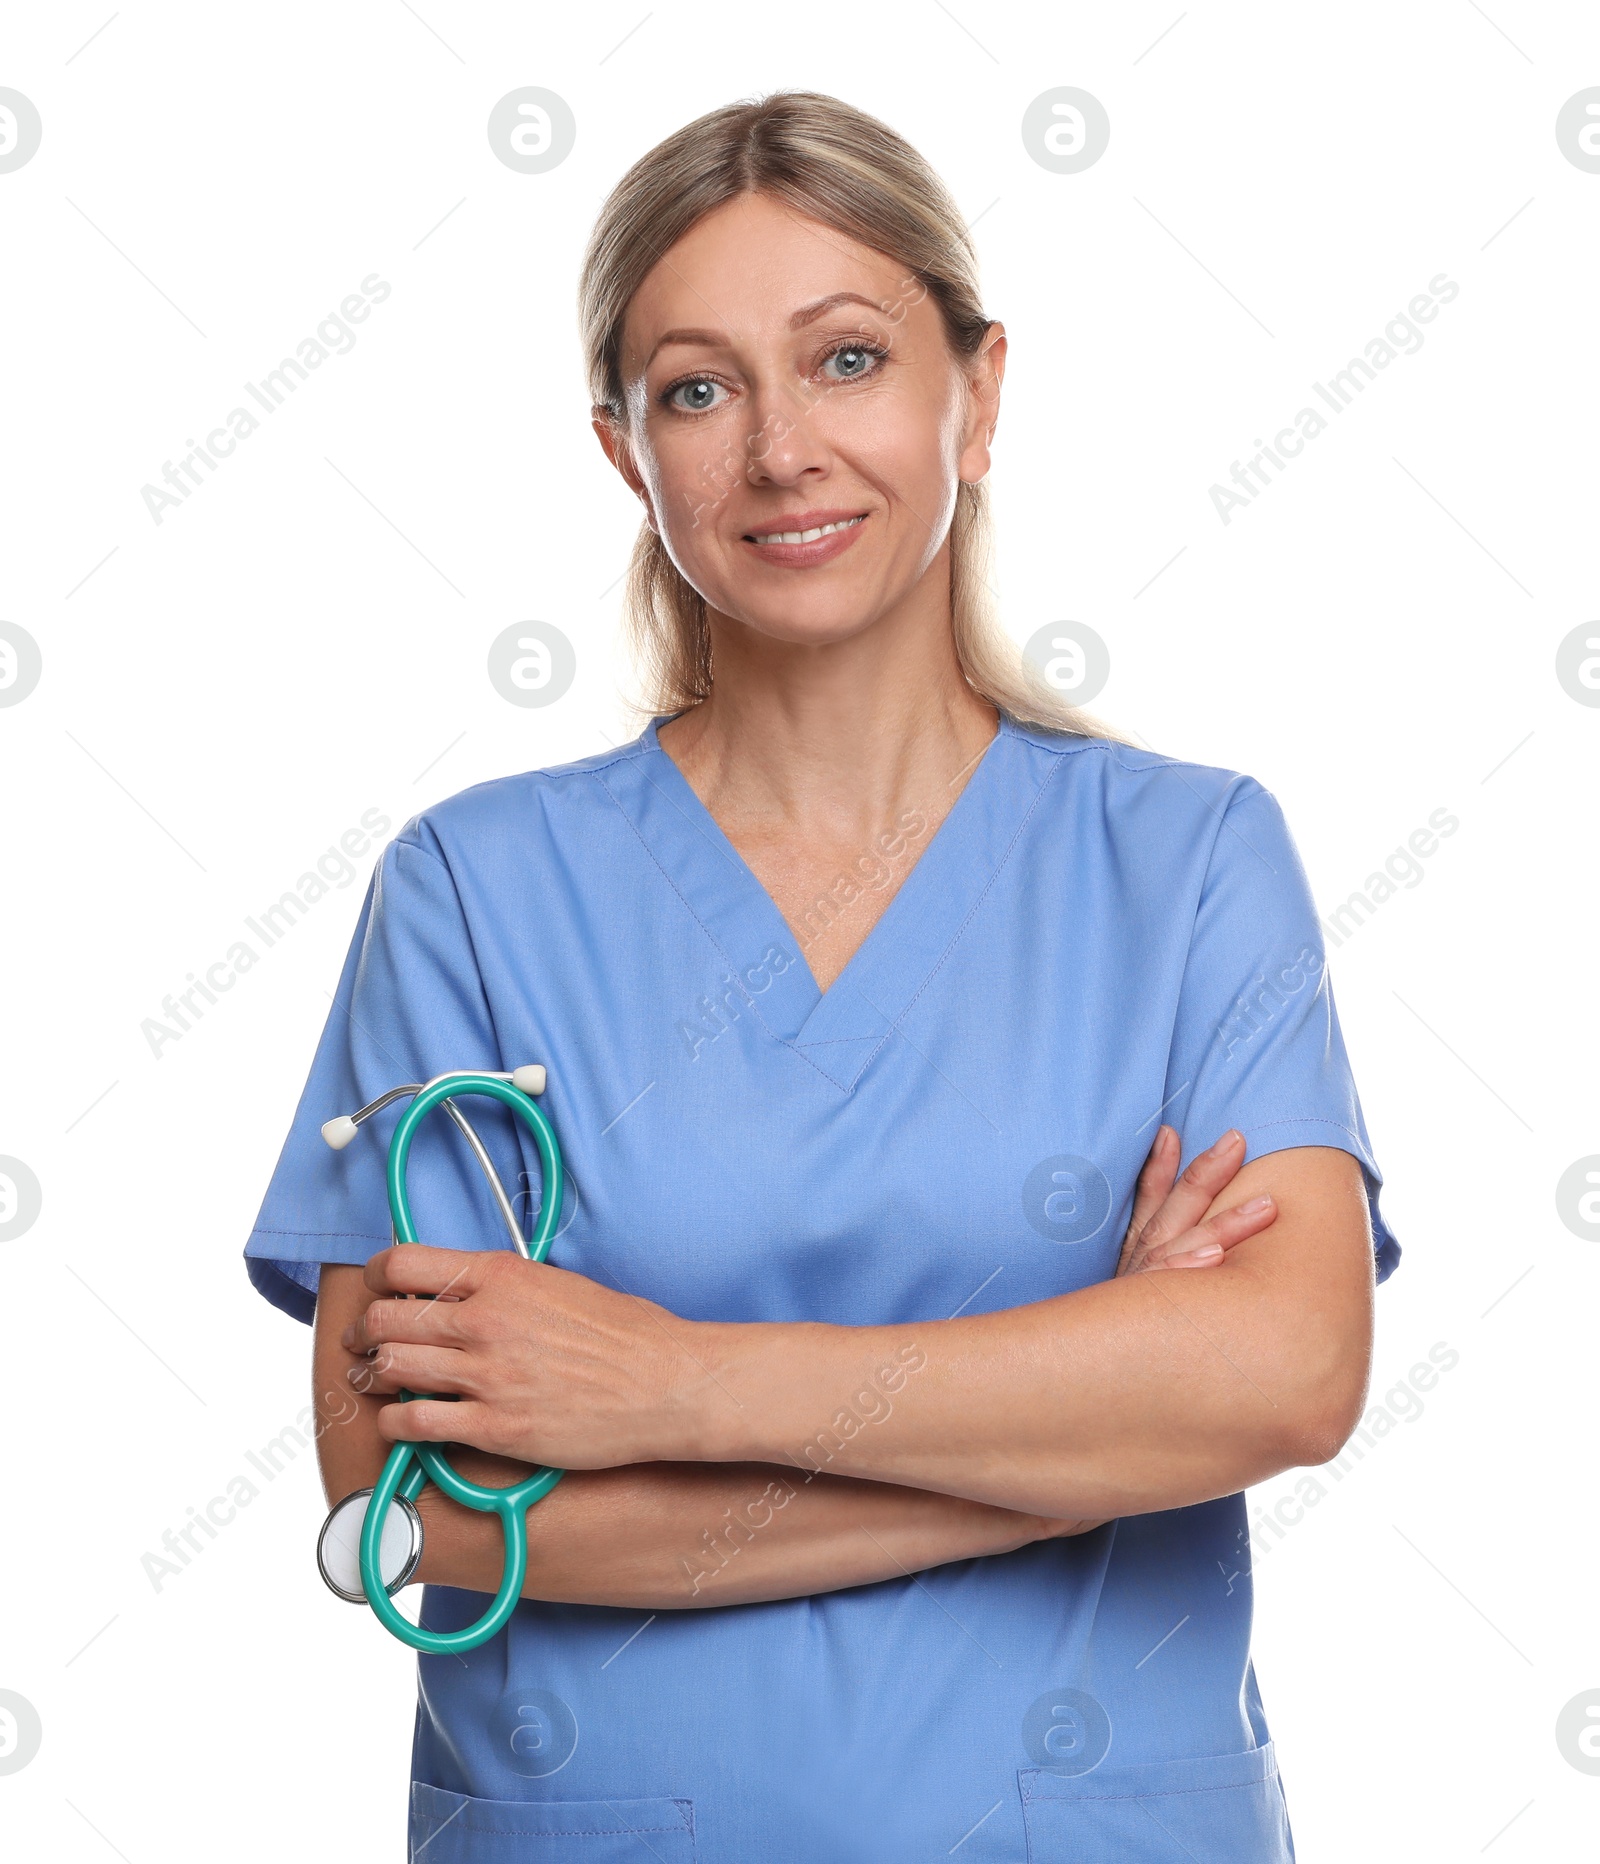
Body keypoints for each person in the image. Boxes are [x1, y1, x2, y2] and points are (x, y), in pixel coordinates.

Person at [245, 90, 1398, 1864]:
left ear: (980, 390)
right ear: (627, 451)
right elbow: (417, 1511)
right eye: (699, 388)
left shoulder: (1184, 864)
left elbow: (1288, 1374)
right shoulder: (474, 893)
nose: (781, 448)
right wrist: (1067, 1450)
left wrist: (667, 1388)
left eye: (847, 358)